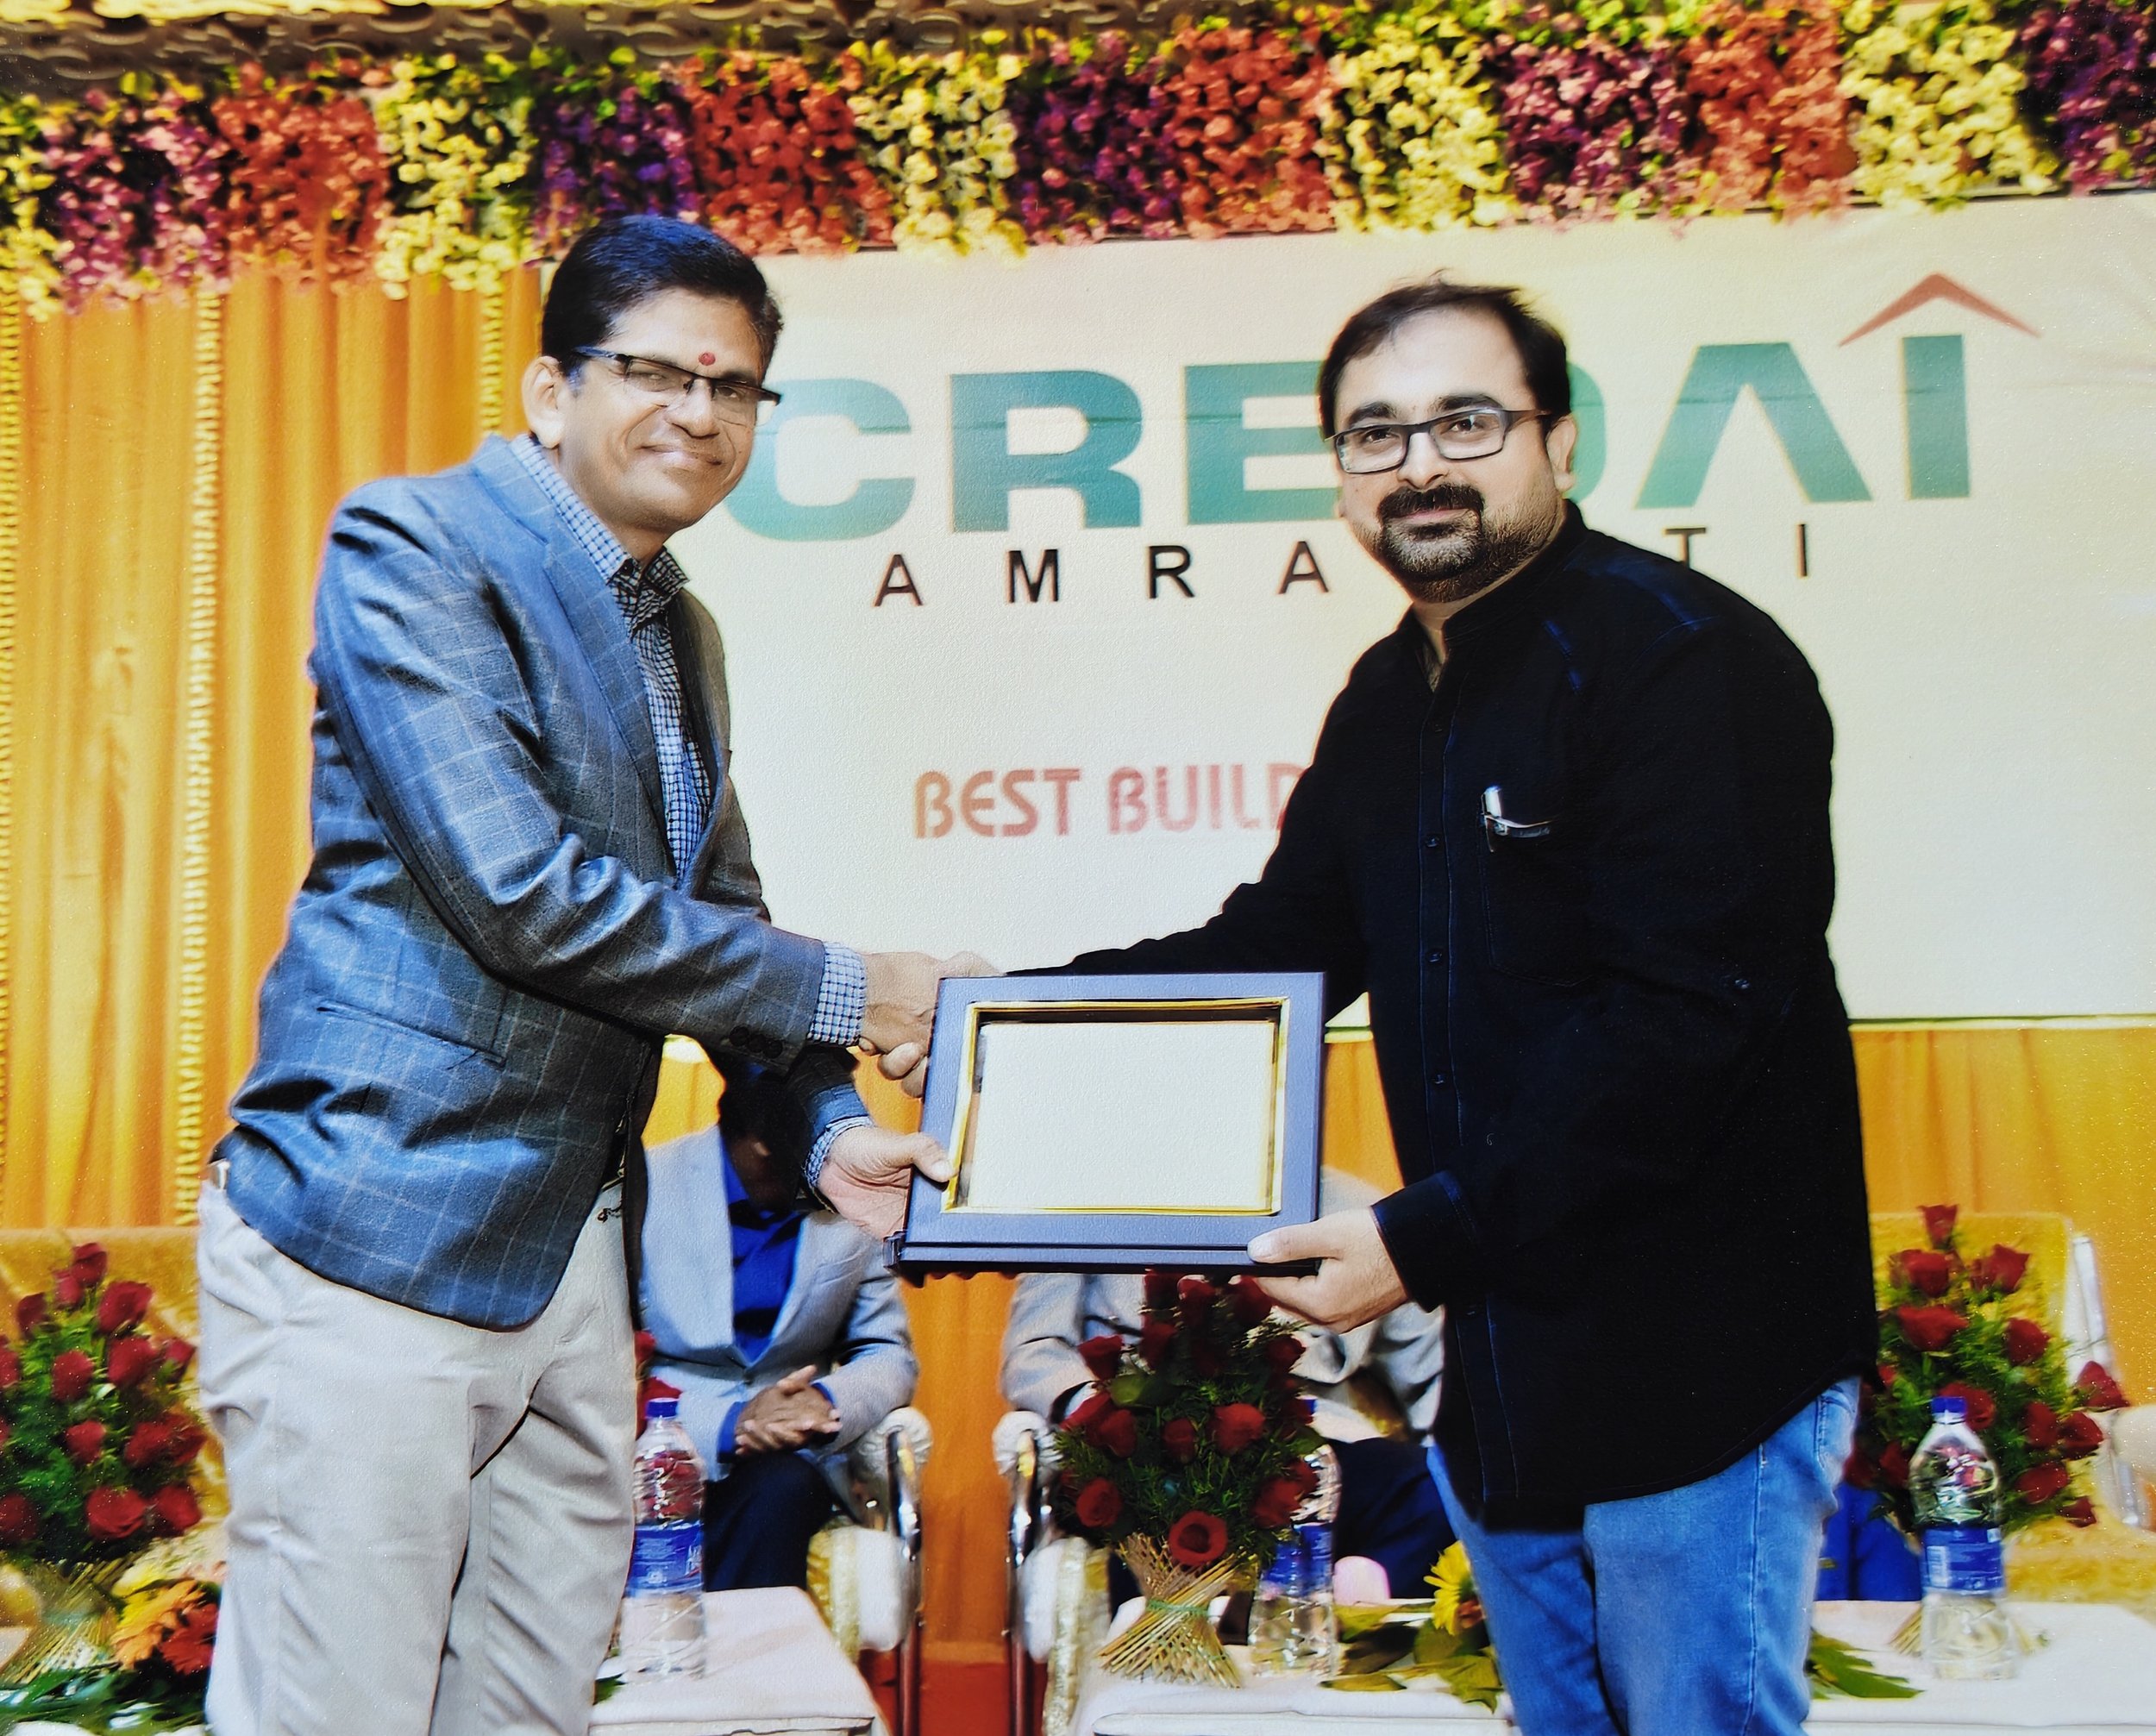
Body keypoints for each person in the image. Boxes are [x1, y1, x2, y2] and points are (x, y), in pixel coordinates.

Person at [963, 277, 1877, 1736]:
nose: (1418, 465)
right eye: (1373, 433)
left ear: (1560, 444)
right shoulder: (1391, 698)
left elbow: (1690, 1024)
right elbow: (1280, 946)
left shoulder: (1688, 662)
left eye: (1465, 420)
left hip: (1703, 1355)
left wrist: (1416, 1239)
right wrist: (997, 1020)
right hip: (1510, 1368)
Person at [196, 216, 975, 1736]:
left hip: (568, 1266)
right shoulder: (415, 546)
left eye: (738, 385)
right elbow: (524, 898)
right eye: (660, 370)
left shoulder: (682, 628)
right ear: (552, 388)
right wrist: (859, 992)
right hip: (380, 1237)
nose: (700, 411)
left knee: (530, 1709)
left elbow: (724, 913)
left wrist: (826, 1132)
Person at [1000, 1169, 1452, 1597]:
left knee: (1440, 1492)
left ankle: (1357, 1600)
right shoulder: (1080, 1195)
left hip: (1310, 1444)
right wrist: (1105, 1418)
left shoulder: (1359, 1211)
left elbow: (1434, 1371)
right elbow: (1033, 1349)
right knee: (1135, 1517)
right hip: (1142, 1442)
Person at [640, 1055, 919, 1591]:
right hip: (661, 1442)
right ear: (756, 1140)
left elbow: (889, 1352)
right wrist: (730, 1423)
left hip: (789, 1456)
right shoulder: (648, 1184)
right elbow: (608, 1351)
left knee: (783, 1488)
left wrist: (825, 1403)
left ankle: (753, 1667)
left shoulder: (853, 1203)